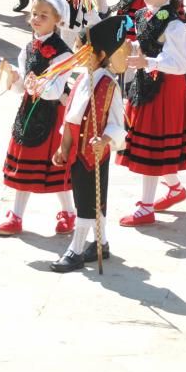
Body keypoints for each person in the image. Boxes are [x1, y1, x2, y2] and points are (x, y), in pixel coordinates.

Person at [50, 14, 130, 273]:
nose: (78, 53)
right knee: (88, 200)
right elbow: (71, 116)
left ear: (101, 54)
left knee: (88, 203)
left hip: (94, 153)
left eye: (85, 50)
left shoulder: (109, 85)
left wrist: (105, 139)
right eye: (78, 48)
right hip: (76, 150)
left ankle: (74, 250)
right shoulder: (82, 79)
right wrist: (63, 147)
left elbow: (119, 124)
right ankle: (101, 242)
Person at [116, 0, 186, 227]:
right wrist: (132, 47)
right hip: (145, 82)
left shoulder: (174, 25)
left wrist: (148, 62)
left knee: (151, 148)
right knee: (154, 146)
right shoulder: (143, 15)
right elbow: (146, 44)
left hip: (165, 89)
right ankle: (174, 189)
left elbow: (180, 65)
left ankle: (145, 207)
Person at [0, 0, 76, 237]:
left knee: (54, 166)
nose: (36, 19)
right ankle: (17, 215)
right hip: (29, 110)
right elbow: (21, 88)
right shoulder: (28, 47)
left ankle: (69, 212)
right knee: (25, 162)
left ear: (57, 20)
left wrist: (37, 86)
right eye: (34, 14)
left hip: (52, 114)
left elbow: (55, 90)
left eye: (44, 15)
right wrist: (13, 77)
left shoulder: (63, 52)